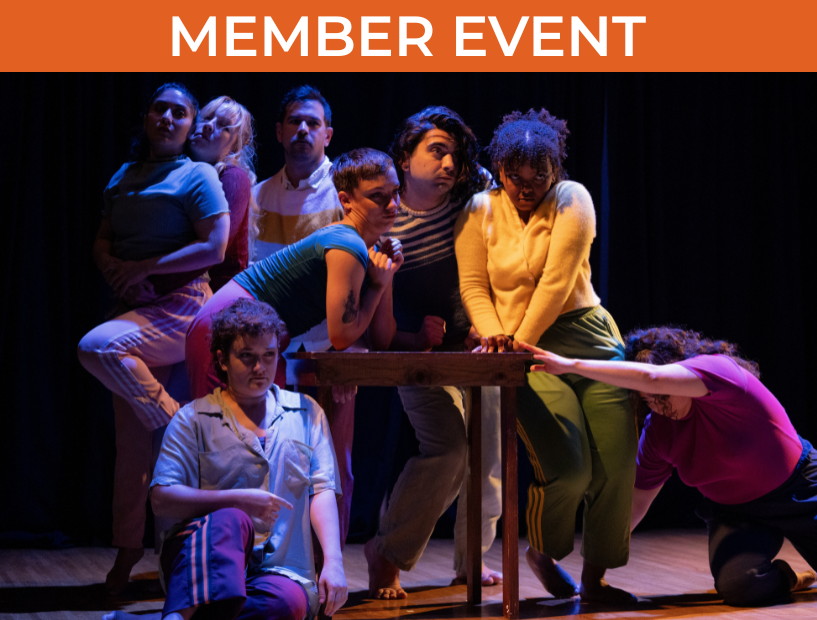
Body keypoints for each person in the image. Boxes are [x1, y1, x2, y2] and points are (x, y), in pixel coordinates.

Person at [455, 108, 637, 603]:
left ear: (554, 168)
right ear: (502, 167)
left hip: (586, 337)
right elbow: (473, 285)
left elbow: (558, 280)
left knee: (617, 465)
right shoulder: (479, 210)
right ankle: (543, 551)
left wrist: (517, 341)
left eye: (539, 175)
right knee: (569, 466)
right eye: (516, 177)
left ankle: (597, 579)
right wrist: (499, 342)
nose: (526, 187)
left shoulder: (572, 198)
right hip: (518, 347)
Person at [521, 327, 817, 606]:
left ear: (680, 372)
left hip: (800, 489)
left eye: (662, 396)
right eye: (648, 401)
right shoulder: (658, 433)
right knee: (740, 585)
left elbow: (653, 378)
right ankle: (790, 579)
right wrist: (592, 578)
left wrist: (570, 365)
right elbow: (634, 506)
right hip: (736, 514)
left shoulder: (720, 372)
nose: (658, 406)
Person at [103, 298, 346, 620]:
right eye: (247, 357)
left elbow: (322, 490)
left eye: (268, 356)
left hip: (279, 569)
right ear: (222, 359)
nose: (260, 368)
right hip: (200, 561)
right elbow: (161, 499)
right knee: (234, 519)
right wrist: (236, 500)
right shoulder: (193, 418)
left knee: (287, 607)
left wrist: (334, 561)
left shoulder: (306, 413)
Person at [77, 83, 230, 593]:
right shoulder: (124, 175)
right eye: (160, 109)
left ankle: (181, 431)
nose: (168, 118)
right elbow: (102, 239)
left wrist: (144, 266)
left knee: (97, 347)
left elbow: (215, 246)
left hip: (181, 308)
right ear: (146, 118)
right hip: (134, 308)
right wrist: (114, 268)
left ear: (190, 126)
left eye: (179, 113)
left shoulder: (198, 173)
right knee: (131, 448)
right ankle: (128, 555)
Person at [364, 106, 501, 600]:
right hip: (418, 351)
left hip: (480, 342)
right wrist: (415, 337)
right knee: (448, 448)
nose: (448, 164)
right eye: (436, 151)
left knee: (487, 454)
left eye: (455, 155)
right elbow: (375, 319)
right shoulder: (384, 215)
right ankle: (388, 552)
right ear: (404, 156)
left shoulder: (473, 192)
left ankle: (471, 562)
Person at [185, 147, 402, 407]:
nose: (392, 205)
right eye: (377, 196)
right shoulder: (348, 244)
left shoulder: (365, 248)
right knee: (228, 438)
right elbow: (342, 336)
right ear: (346, 201)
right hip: (226, 327)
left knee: (258, 436)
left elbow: (382, 340)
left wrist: (386, 274)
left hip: (255, 334)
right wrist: (377, 286)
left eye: (395, 192)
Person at [248, 86, 356, 544]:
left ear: (328, 134)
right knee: (273, 457)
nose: (303, 130)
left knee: (333, 462)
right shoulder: (257, 195)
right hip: (274, 350)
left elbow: (360, 269)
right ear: (278, 131)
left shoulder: (345, 193)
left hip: (329, 346)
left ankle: (330, 571)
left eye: (313, 123)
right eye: (295, 121)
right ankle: (277, 564)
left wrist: (352, 349)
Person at [188, 95, 259, 291]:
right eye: (205, 118)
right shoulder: (180, 170)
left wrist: (148, 277)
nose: (209, 126)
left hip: (219, 300)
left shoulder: (233, 177)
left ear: (235, 146)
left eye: (224, 127)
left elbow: (210, 253)